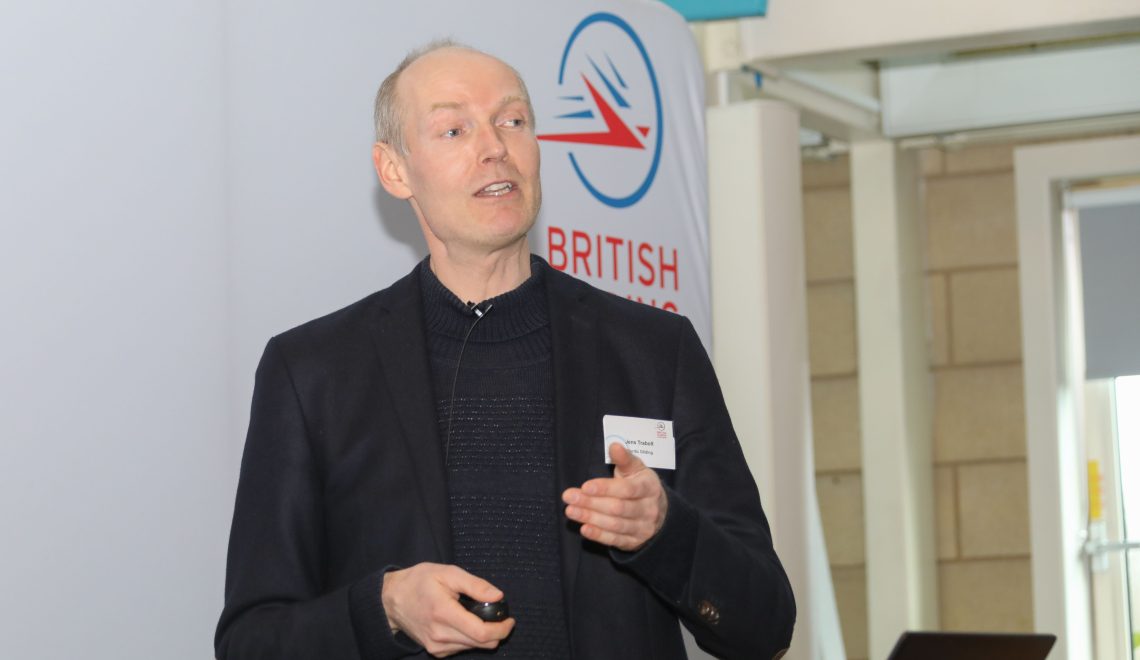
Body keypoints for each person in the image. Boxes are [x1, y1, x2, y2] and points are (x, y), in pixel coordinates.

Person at [215, 41, 795, 660]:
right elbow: (252, 641)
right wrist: (384, 609)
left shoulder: (653, 351)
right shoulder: (315, 373)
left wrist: (665, 533)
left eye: (512, 121)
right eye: (454, 129)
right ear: (395, 170)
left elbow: (764, 625)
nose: (494, 147)